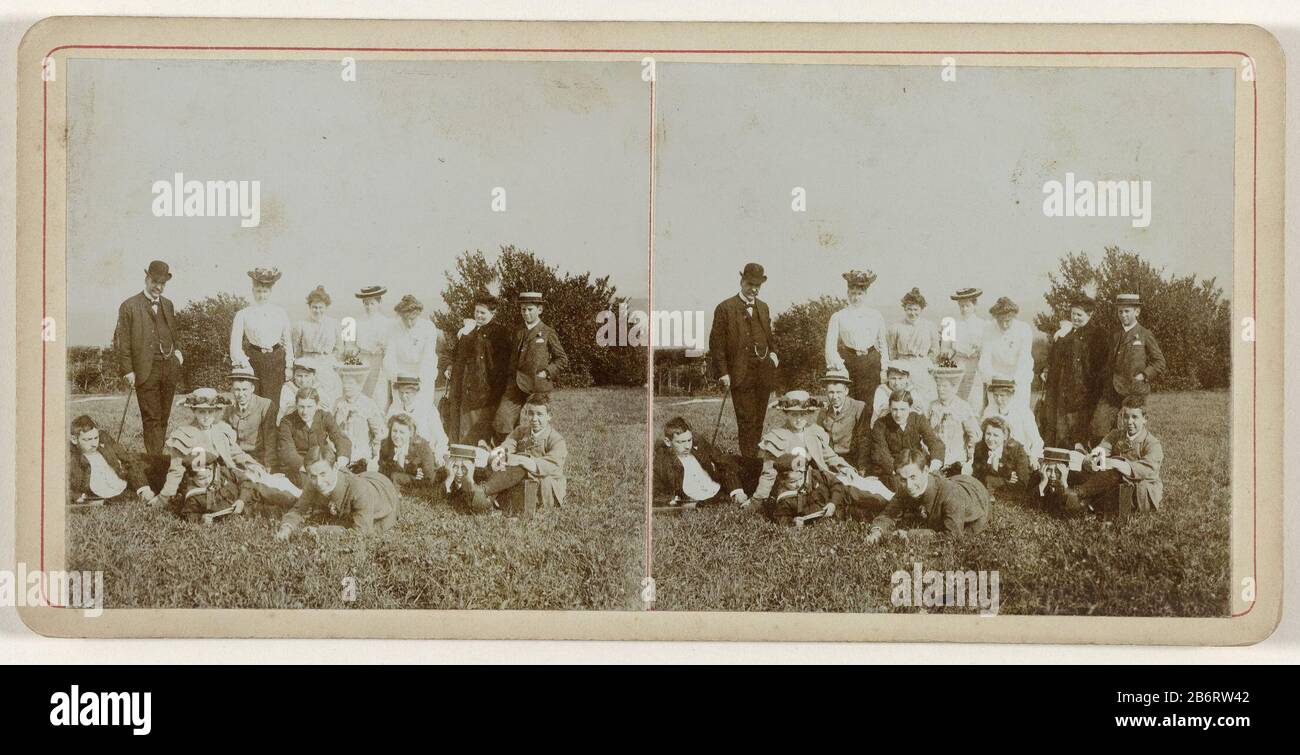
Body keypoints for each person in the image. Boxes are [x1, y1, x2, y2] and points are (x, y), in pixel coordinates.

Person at [112, 260, 184, 454]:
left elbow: (173, 332)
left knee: (163, 416)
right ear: (147, 279)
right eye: (155, 282)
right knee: (151, 417)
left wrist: (177, 354)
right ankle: (155, 462)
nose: (158, 287)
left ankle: (157, 457)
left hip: (169, 367)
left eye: (163, 284)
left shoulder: (168, 305)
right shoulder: (129, 306)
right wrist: (128, 370)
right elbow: (121, 341)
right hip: (145, 370)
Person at [708, 263, 779, 458]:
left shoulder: (763, 307)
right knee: (747, 420)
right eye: (750, 284)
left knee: (759, 420)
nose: (754, 289)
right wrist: (723, 373)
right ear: (741, 282)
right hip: (740, 374)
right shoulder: (725, 308)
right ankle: (749, 462)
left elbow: (769, 336)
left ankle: (755, 458)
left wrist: (773, 356)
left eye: (758, 285)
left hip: (764, 372)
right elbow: (716, 344)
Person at [150, 388, 265, 508]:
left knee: (261, 484)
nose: (206, 417)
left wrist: (255, 465)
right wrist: (164, 497)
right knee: (255, 496)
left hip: (226, 477)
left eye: (210, 412)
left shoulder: (221, 429)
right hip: (201, 484)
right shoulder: (184, 434)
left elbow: (236, 453)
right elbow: (176, 470)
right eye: (202, 412)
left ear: (216, 412)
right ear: (194, 411)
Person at [748, 390, 856, 509]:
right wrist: (758, 499)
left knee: (852, 488)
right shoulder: (778, 437)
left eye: (803, 414)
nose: (799, 419)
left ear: (809, 414)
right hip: (791, 488)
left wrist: (845, 467)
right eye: (794, 415)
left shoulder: (813, 431)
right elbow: (768, 473)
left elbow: (830, 456)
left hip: (816, 482)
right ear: (786, 413)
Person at [1070, 395, 1164, 521]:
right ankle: (1090, 504)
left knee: (1116, 474)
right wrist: (1095, 457)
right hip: (1114, 482)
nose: (1129, 422)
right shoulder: (1116, 434)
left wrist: (1116, 463)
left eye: (1134, 417)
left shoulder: (1152, 443)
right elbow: (1104, 447)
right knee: (1091, 468)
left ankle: (1081, 494)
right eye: (1126, 416)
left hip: (1141, 492)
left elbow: (1146, 470)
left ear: (1145, 419)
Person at [865, 449, 992, 541]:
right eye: (903, 479)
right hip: (952, 481)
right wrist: (877, 531)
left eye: (913, 477)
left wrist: (911, 534)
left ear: (925, 471)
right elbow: (889, 513)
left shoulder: (951, 494)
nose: (909, 485)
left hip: (975, 493)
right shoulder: (905, 487)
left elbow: (953, 535)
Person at [1090, 293, 1166, 444]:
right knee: (1099, 428)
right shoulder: (1114, 334)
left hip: (1134, 391)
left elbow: (1159, 362)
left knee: (1132, 430)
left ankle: (1131, 461)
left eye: (1127, 311)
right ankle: (1104, 459)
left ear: (1136, 312)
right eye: (1120, 311)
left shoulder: (1145, 334)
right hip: (1111, 390)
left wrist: (1144, 375)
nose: (1123, 315)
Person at [275, 448, 402, 539]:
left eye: (323, 474)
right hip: (358, 479)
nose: (318, 482)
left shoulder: (359, 489)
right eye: (313, 476)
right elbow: (299, 509)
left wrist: (320, 531)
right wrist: (286, 527)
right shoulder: (313, 481)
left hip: (382, 490)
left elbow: (361, 532)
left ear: (335, 467)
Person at [474, 394, 567, 517]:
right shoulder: (521, 431)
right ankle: (486, 495)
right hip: (515, 475)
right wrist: (494, 454)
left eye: (539, 414)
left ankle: (484, 493)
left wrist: (521, 459)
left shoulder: (556, 440)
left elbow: (549, 466)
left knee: (521, 467)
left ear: (549, 416)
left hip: (545, 483)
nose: (534, 419)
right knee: (499, 461)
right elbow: (507, 446)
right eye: (530, 413)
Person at [493, 292, 569, 438]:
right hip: (515, 385)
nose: (526, 313)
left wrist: (547, 372)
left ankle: (537, 453)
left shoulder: (548, 332)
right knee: (502, 421)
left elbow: (562, 359)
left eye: (530, 309)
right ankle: (509, 451)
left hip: (537, 386)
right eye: (523, 310)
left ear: (539, 310)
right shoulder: (517, 332)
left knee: (537, 423)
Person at [1040, 292, 1108, 449]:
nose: (1075, 318)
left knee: (1080, 434)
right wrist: (1046, 370)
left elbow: (1101, 368)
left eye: (1079, 315)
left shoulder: (1098, 335)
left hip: (1085, 394)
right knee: (1062, 434)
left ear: (1090, 314)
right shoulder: (1066, 334)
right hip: (1063, 393)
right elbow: (1054, 360)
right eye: (1073, 314)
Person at [229, 266, 294, 421]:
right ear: (252, 291)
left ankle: (272, 441)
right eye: (258, 291)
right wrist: (245, 364)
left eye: (265, 291)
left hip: (276, 360)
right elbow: (235, 344)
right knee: (254, 402)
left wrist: (289, 365)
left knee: (273, 403)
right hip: (254, 360)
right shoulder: (243, 314)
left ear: (270, 292)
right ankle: (255, 441)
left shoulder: (280, 313)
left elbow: (288, 341)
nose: (261, 295)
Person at [447, 294, 511, 445]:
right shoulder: (468, 331)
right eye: (476, 312)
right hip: (466, 387)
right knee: (464, 427)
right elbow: (456, 356)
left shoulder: (500, 333)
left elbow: (503, 365)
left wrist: (495, 389)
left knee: (480, 428)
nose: (479, 316)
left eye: (483, 313)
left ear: (492, 313)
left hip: (487, 388)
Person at [653, 416, 750, 509]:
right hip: (705, 500)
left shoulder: (698, 443)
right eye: (681, 442)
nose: (687, 446)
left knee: (756, 467)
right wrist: (679, 502)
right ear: (668, 442)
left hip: (721, 485)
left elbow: (723, 462)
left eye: (689, 440)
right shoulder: (663, 463)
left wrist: (737, 491)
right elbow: (657, 495)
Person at [824, 269, 890, 404]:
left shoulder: (875, 315)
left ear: (865, 294)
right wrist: (840, 367)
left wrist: (884, 369)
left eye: (859, 294)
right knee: (849, 402)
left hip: (871, 362)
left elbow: (883, 344)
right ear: (848, 294)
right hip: (848, 362)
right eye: (853, 293)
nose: (856, 297)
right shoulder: (838, 316)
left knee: (869, 403)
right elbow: (830, 346)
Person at [68, 415, 158, 505]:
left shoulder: (103, 438)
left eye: (96, 438)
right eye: (87, 440)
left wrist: (143, 488)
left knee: (163, 464)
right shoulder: (71, 457)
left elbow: (128, 460)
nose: (94, 444)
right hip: (110, 494)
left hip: (128, 478)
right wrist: (77, 497)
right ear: (74, 439)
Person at [867, 389, 945, 492]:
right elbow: (881, 454)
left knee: (936, 486)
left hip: (916, 466)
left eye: (903, 409)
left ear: (910, 408)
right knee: (901, 489)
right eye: (895, 409)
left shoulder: (918, 419)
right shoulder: (880, 424)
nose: (898, 414)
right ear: (890, 408)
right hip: (893, 472)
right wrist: (901, 473)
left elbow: (934, 442)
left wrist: (934, 466)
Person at [383, 294, 440, 427]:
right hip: (400, 375)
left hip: (423, 374)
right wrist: (396, 375)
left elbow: (428, 357)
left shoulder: (428, 327)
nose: (409, 323)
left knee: (421, 410)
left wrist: (419, 378)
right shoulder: (394, 328)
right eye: (405, 319)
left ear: (418, 314)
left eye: (412, 319)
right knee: (399, 409)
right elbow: (390, 355)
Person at [276, 387, 352, 488]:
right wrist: (309, 469)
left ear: (316, 405)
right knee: (312, 487)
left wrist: (342, 459)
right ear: (296, 405)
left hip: (324, 462)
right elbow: (287, 452)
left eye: (309, 407)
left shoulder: (325, 417)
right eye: (301, 407)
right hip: (301, 468)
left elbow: (340, 438)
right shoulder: (287, 422)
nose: (305, 412)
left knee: (346, 482)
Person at [979, 296, 1035, 416]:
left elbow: (1024, 359)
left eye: (1008, 321)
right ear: (995, 318)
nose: (1004, 325)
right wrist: (990, 378)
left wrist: (1014, 381)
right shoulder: (988, 330)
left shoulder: (1024, 329)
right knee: (995, 414)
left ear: (1014, 317)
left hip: (1019, 378)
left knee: (1018, 414)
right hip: (996, 379)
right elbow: (985, 358)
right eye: (1000, 321)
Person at [886, 287, 940, 410]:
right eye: (909, 309)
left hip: (922, 367)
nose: (912, 313)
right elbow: (892, 350)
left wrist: (927, 363)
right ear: (904, 309)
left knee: (925, 400)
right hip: (903, 367)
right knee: (904, 399)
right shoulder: (896, 327)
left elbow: (935, 349)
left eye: (916, 309)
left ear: (921, 309)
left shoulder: (929, 326)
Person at [292, 285, 344, 411]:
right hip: (308, 364)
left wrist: (332, 361)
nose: (317, 310)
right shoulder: (301, 324)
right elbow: (296, 349)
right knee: (309, 397)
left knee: (329, 398)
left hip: (327, 364)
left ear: (326, 307)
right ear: (309, 307)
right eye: (314, 307)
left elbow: (339, 347)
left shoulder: (334, 324)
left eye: (321, 307)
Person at [816, 367, 872, 473]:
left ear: (846, 391)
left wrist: (862, 468)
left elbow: (864, 440)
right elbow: (819, 441)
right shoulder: (823, 412)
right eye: (831, 392)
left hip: (853, 461)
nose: (835, 397)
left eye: (839, 392)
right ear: (826, 392)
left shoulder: (859, 408)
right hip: (831, 461)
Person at [333, 365, 386, 473]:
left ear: (359, 385)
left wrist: (375, 457)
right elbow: (331, 429)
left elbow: (378, 433)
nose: (347, 387)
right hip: (340, 455)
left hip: (361, 456)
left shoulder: (368, 404)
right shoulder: (338, 403)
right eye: (345, 383)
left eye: (351, 383)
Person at [928, 367, 980, 475]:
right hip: (935, 459)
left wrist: (969, 455)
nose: (940, 389)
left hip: (956, 459)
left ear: (954, 388)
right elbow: (926, 431)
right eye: (938, 386)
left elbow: (975, 435)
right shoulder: (932, 406)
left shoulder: (963, 407)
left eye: (944, 386)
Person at [222, 366, 277, 468]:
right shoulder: (229, 408)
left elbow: (270, 439)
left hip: (258, 459)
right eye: (237, 390)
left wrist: (269, 465)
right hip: (236, 458)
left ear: (252, 388)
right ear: (232, 389)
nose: (241, 394)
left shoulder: (265, 405)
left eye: (244, 389)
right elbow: (226, 438)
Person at [378, 413, 443, 494]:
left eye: (402, 432)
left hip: (421, 482)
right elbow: (383, 471)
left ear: (410, 433)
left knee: (395, 477)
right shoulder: (385, 444)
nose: (397, 436)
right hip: (399, 479)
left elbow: (429, 478)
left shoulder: (422, 447)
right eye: (394, 431)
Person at [350, 285, 394, 407]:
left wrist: (383, 348)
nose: (369, 307)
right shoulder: (358, 322)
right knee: (362, 394)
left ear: (379, 303)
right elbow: (353, 345)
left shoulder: (387, 322)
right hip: (363, 361)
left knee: (379, 395)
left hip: (380, 362)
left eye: (372, 303)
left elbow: (390, 345)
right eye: (366, 304)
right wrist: (353, 351)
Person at [981, 378, 1044, 461]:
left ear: (1011, 394)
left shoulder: (1023, 412)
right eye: (995, 395)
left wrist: (1033, 457)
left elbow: (1037, 441)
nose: (998, 399)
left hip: (1018, 457)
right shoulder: (989, 411)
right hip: (994, 457)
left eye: (1002, 395)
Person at [387, 375, 449, 456]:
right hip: (399, 454)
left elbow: (441, 438)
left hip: (422, 455)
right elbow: (386, 432)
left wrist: (438, 455)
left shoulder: (428, 409)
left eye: (407, 393)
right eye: (401, 392)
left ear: (416, 392)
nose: (403, 396)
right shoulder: (394, 408)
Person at [971, 416, 1032, 498]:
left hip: (1011, 497)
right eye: (988, 434)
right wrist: (1005, 478)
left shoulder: (1017, 450)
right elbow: (977, 477)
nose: (990, 439)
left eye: (996, 435)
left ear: (1005, 436)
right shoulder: (980, 447)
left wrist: (992, 481)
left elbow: (1022, 484)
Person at [947, 287, 987, 404]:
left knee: (975, 398)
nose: (964, 309)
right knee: (956, 396)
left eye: (967, 306)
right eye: (961, 306)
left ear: (975, 305)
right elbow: (948, 348)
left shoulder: (983, 325)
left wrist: (979, 350)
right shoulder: (953, 325)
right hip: (958, 363)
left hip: (976, 364)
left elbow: (986, 347)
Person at [278, 358, 330, 423]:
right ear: (294, 375)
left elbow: (325, 409)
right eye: (299, 376)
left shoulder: (319, 387)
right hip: (294, 424)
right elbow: (287, 410)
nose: (303, 380)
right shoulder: (288, 387)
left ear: (313, 375)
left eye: (306, 376)